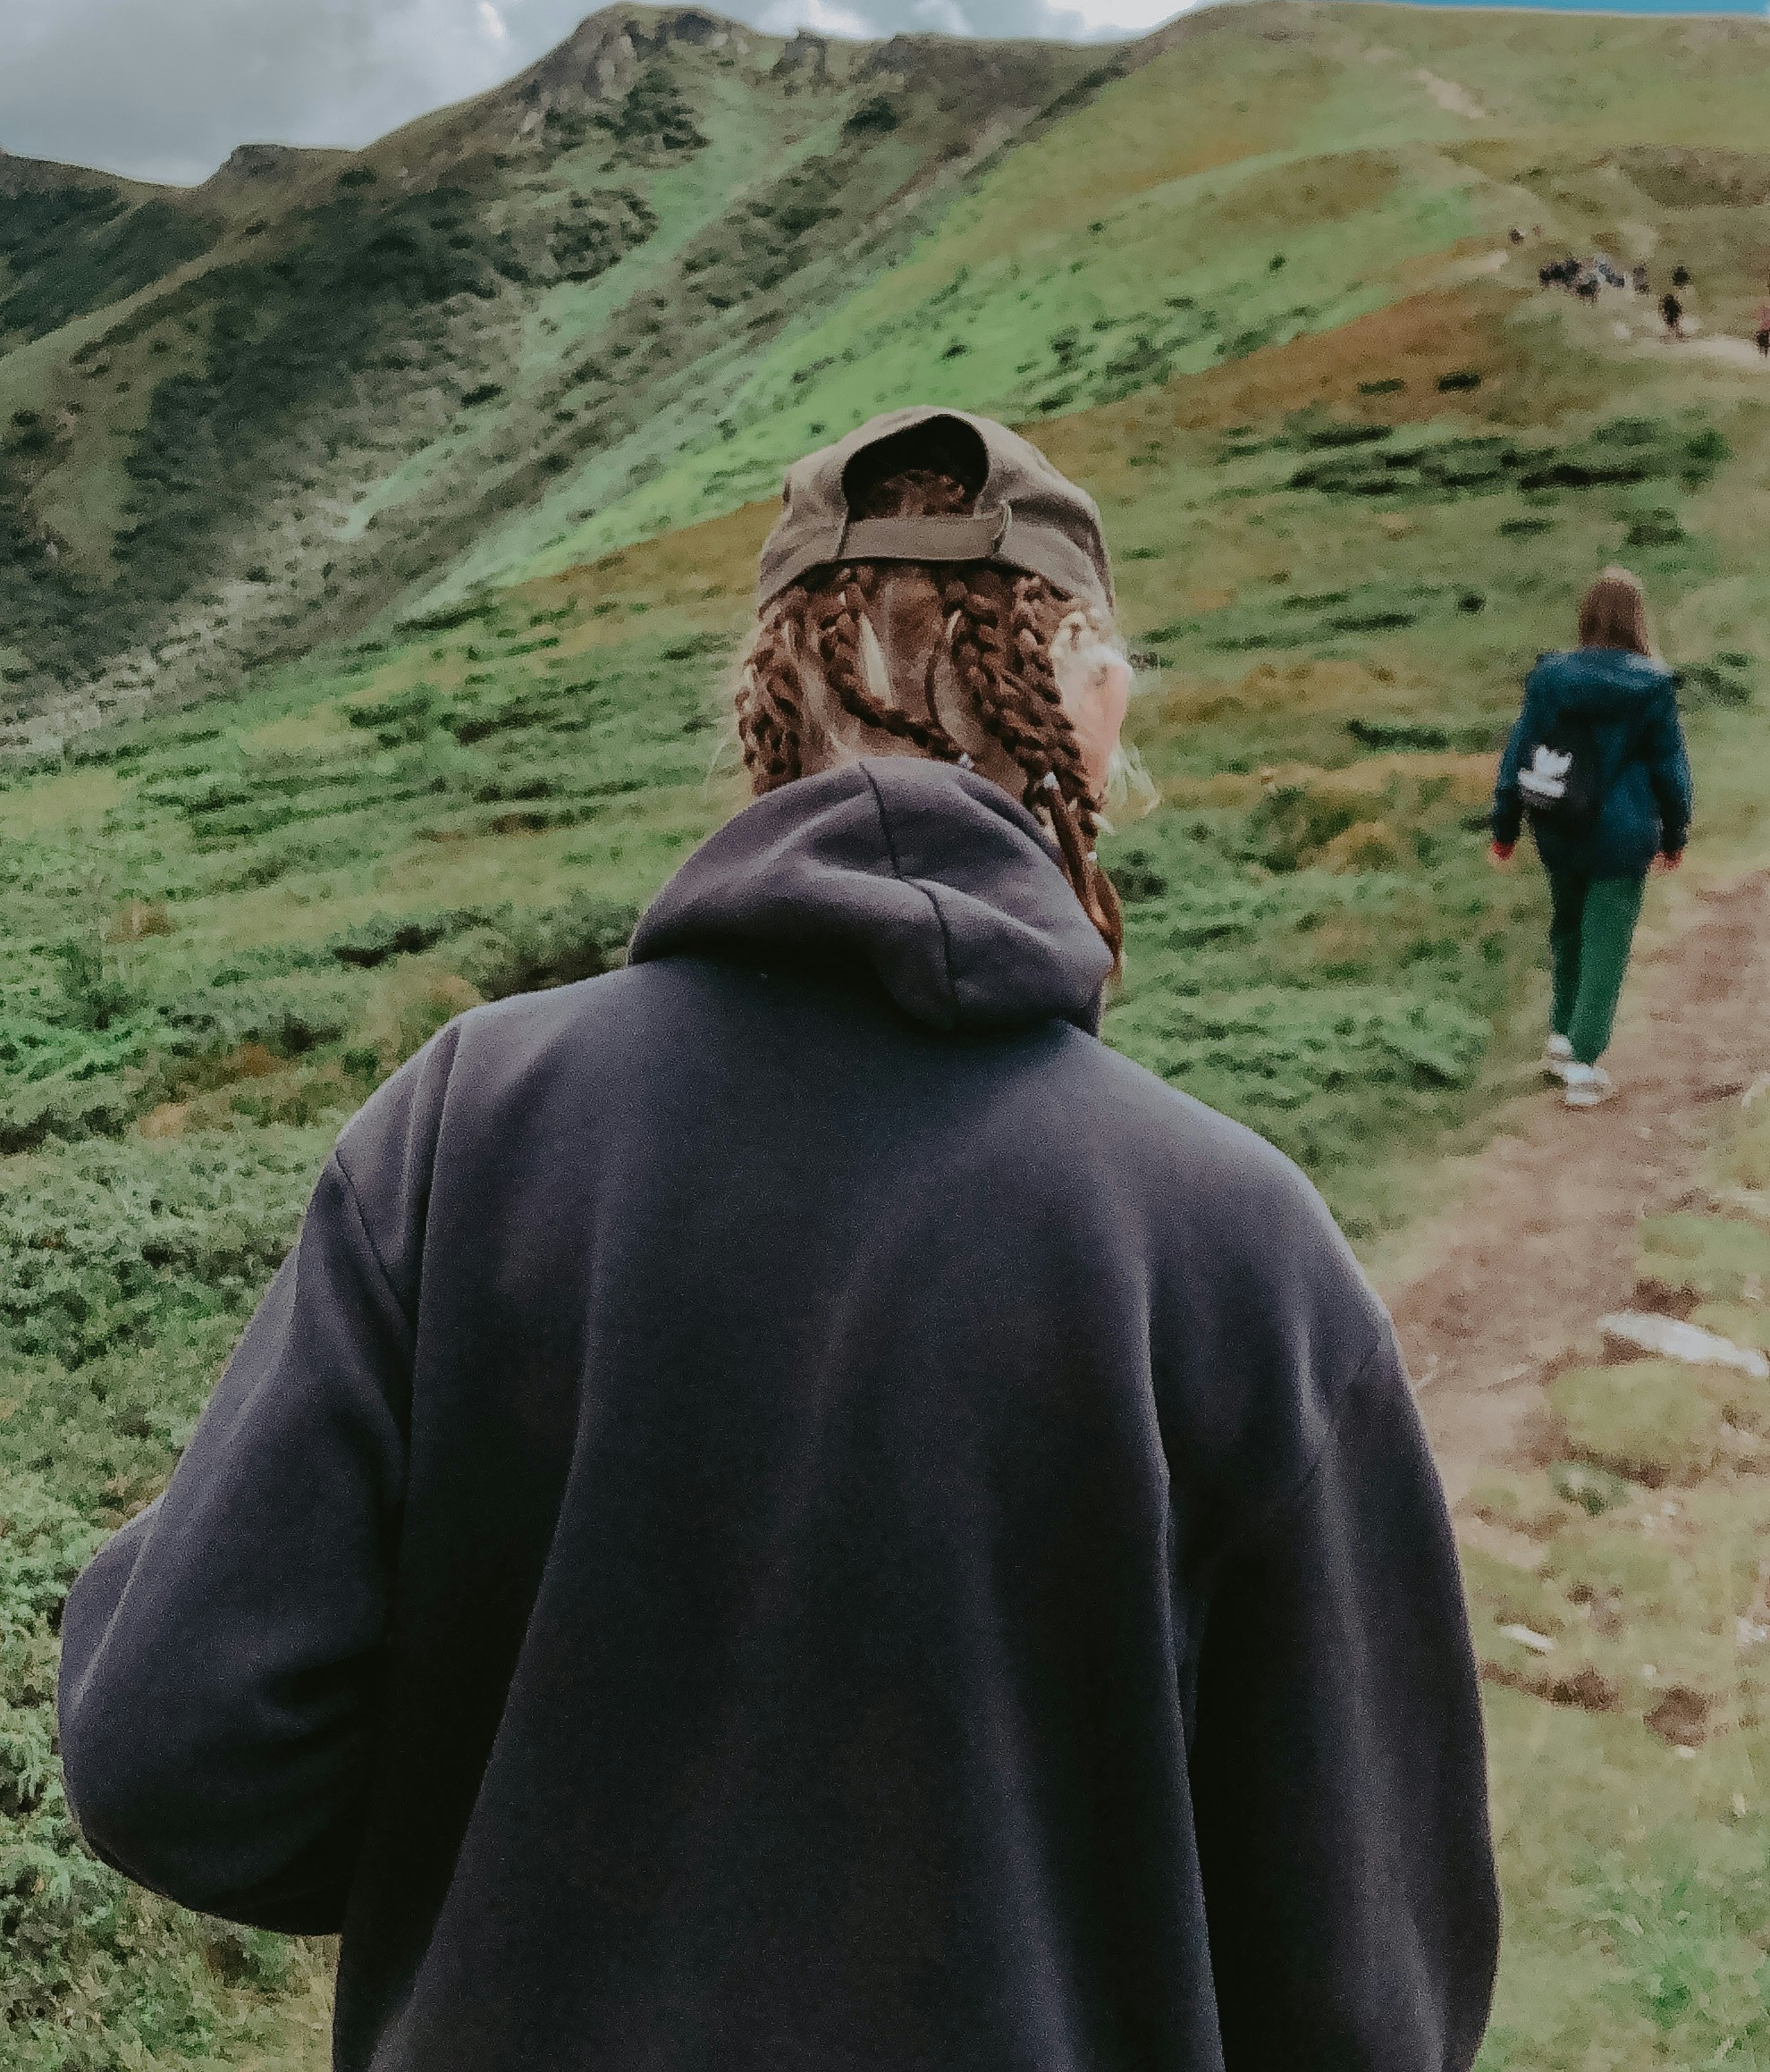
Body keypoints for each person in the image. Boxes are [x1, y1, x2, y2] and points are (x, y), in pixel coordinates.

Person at [58, 407, 1498, 2072]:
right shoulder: (1243, 1248)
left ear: (766, 703)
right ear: (1090, 719)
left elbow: (169, 1750)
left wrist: (491, 1869)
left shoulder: (468, 1129)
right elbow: (1375, 1997)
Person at [1491, 566, 1692, 1109]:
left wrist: (1504, 825)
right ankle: (1583, 1063)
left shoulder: (1550, 677)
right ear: (1637, 619)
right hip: (1623, 833)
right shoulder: (1652, 686)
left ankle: (1562, 1036)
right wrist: (1676, 832)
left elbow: (1520, 750)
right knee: (1606, 943)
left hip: (1558, 823)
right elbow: (1669, 766)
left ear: (1586, 615)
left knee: (1568, 928)